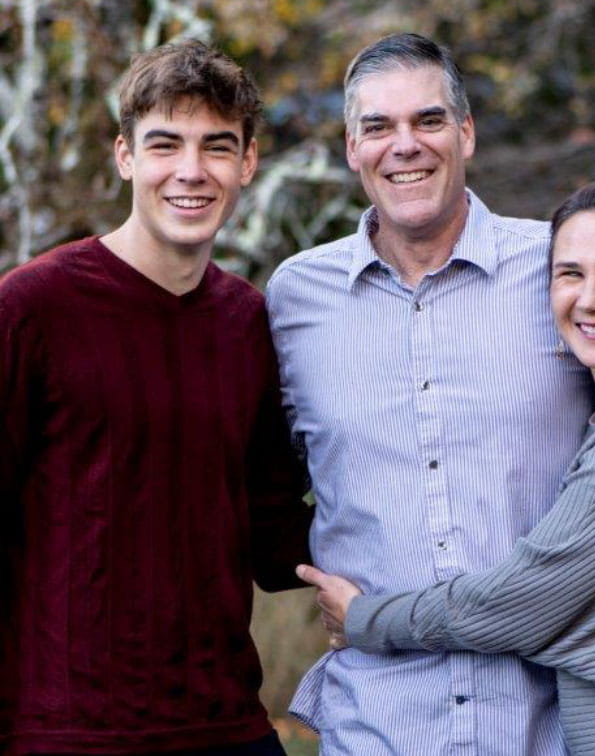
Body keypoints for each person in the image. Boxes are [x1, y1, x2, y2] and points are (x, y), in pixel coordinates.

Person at [266, 33, 595, 755]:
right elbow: (243, 464)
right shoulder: (295, 299)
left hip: (544, 728)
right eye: (378, 127)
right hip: (379, 726)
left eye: (427, 120)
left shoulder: (559, 270)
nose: (405, 146)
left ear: (466, 132)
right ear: (351, 146)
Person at [0, 40, 312, 756]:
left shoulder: (248, 324)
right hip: (66, 732)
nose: (192, 171)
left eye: (217, 147)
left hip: (226, 726)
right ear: (125, 156)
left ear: (248, 163)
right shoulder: (30, 309)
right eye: (165, 144)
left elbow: (272, 537)